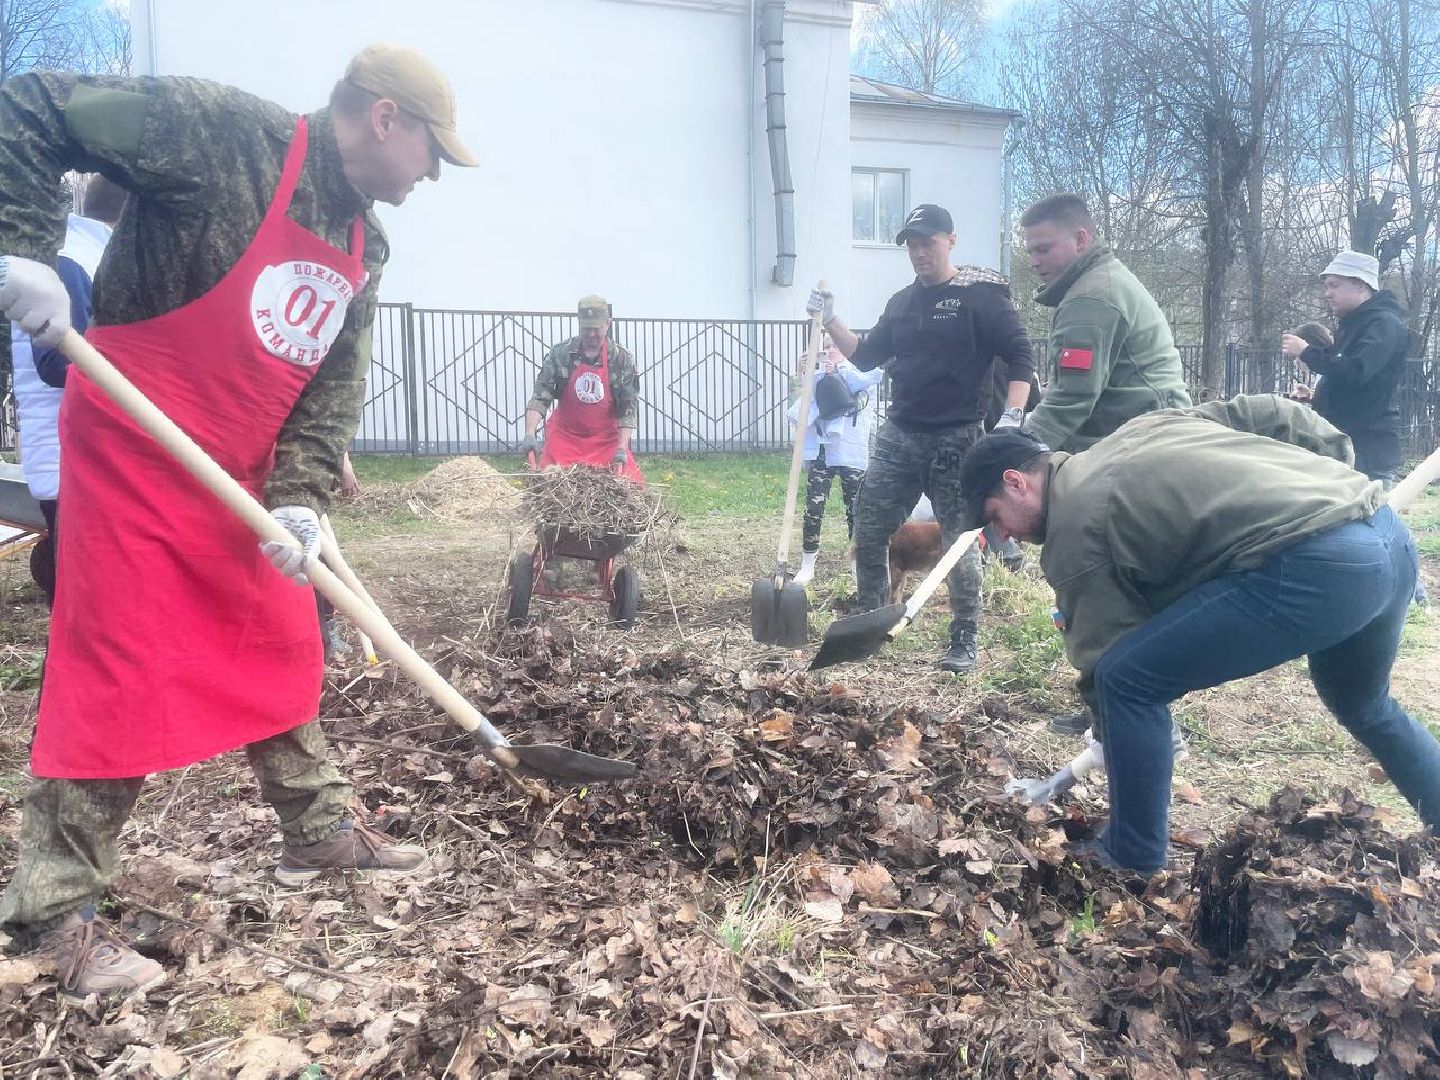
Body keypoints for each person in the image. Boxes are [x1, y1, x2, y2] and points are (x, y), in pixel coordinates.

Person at [0, 43, 476, 998]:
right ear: (386, 118)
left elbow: (330, 393)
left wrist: (300, 495)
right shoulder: (222, 134)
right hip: (135, 443)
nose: (432, 174)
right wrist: (22, 244)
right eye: (433, 149)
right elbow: (32, 103)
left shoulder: (365, 245)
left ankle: (318, 834)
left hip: (244, 472)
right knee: (120, 667)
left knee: (281, 641)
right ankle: (51, 917)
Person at [960, 395, 1438, 874]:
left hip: (1322, 570)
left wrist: (1112, 733)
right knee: (1365, 704)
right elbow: (1268, 411)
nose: (1003, 536)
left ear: (1016, 482)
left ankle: (1131, 858)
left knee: (1124, 681)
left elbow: (1102, 657)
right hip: (1387, 535)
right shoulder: (1142, 428)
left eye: (995, 517)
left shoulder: (1075, 526)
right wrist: (1336, 472)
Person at [806, 203, 1035, 673]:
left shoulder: (980, 297)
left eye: (927, 242)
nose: (919, 252)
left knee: (958, 540)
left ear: (950, 241)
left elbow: (1020, 356)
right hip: (901, 434)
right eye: (911, 245)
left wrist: (1012, 418)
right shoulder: (903, 303)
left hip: (957, 437)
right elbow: (866, 355)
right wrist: (830, 319)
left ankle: (964, 637)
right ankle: (870, 623)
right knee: (870, 529)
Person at [1017, 193, 1193, 731]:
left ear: (1081, 239)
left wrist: (1016, 452)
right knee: (1115, 583)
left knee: (1098, 580)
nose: (1036, 260)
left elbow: (1072, 399)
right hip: (1138, 446)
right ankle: (1116, 705)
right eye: (1030, 250)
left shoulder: (1092, 298)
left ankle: (1122, 711)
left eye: (1045, 248)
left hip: (1134, 455)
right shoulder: (1099, 284)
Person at [10, 175, 125, 605]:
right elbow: (57, 362)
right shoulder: (73, 259)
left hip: (80, 454)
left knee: (93, 593)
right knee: (89, 598)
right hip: (70, 459)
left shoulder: (86, 254)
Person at [1281, 250, 1408, 485]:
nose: (1327, 293)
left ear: (1360, 285)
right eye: (1326, 286)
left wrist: (1306, 351)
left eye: (1334, 286)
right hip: (1346, 447)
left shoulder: (1383, 325)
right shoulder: (1355, 323)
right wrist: (1316, 398)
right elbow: (1350, 384)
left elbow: (1356, 371)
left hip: (1366, 452)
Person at [788, 331, 883, 585]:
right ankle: (807, 564)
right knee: (813, 507)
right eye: (826, 347)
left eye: (836, 346)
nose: (830, 351)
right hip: (823, 449)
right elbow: (805, 405)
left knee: (855, 509)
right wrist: (803, 373)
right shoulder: (820, 373)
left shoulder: (861, 373)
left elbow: (857, 387)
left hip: (851, 452)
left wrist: (836, 373)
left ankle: (856, 564)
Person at [520, 295, 643, 483]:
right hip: (565, 438)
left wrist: (621, 448)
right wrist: (530, 433)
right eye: (586, 329)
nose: (591, 335)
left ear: (607, 324)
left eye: (596, 329)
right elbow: (540, 397)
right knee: (551, 484)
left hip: (606, 441)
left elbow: (628, 409)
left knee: (630, 485)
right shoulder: (560, 354)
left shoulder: (621, 360)